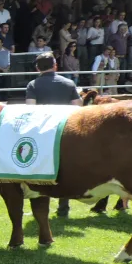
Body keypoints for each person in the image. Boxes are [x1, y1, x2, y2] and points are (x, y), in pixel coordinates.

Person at [25, 52, 81, 218]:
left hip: (42, 133)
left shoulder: (33, 85)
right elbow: (78, 107)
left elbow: (30, 109)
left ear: (37, 68)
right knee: (64, 169)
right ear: (55, 65)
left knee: (41, 169)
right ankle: (64, 208)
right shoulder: (69, 83)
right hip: (65, 131)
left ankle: (42, 207)